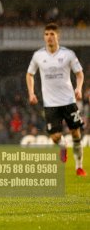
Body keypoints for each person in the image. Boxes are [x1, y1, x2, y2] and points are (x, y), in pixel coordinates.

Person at [26, 23, 86, 176]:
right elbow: (29, 74)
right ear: (44, 37)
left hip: (69, 101)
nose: (49, 37)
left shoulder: (68, 54)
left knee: (76, 134)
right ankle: (63, 145)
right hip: (50, 104)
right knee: (55, 137)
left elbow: (79, 74)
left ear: (58, 36)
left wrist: (78, 88)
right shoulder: (38, 56)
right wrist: (31, 93)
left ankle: (79, 167)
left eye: (52, 34)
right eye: (46, 34)